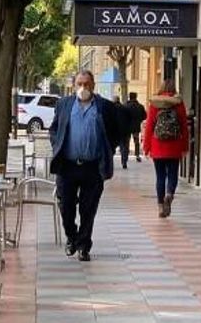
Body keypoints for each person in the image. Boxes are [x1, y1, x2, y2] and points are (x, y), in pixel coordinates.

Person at [48, 70, 121, 262]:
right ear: (74, 85)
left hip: (92, 167)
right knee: (66, 206)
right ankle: (72, 237)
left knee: (89, 209)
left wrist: (107, 150)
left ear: (93, 85)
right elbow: (54, 129)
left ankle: (84, 246)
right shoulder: (64, 104)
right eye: (79, 84)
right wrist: (57, 145)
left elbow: (115, 131)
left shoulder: (103, 106)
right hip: (68, 166)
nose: (83, 88)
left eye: (87, 84)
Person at [143, 80, 189, 218]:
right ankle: (169, 194)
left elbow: (149, 127)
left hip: (157, 146)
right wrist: (185, 147)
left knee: (160, 176)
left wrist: (146, 147)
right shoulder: (178, 103)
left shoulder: (154, 103)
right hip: (174, 146)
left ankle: (160, 207)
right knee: (173, 174)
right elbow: (184, 127)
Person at [125, 92, 147, 162]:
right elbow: (144, 116)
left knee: (127, 141)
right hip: (136, 126)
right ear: (136, 97)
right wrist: (139, 120)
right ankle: (137, 155)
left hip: (127, 127)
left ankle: (126, 155)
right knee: (136, 141)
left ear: (129, 97)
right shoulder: (140, 106)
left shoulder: (125, 106)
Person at [112, 96, 133, 169]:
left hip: (114, 131)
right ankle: (124, 162)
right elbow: (130, 119)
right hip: (124, 131)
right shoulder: (125, 108)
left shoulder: (110, 108)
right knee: (124, 147)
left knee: (111, 147)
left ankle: (110, 162)